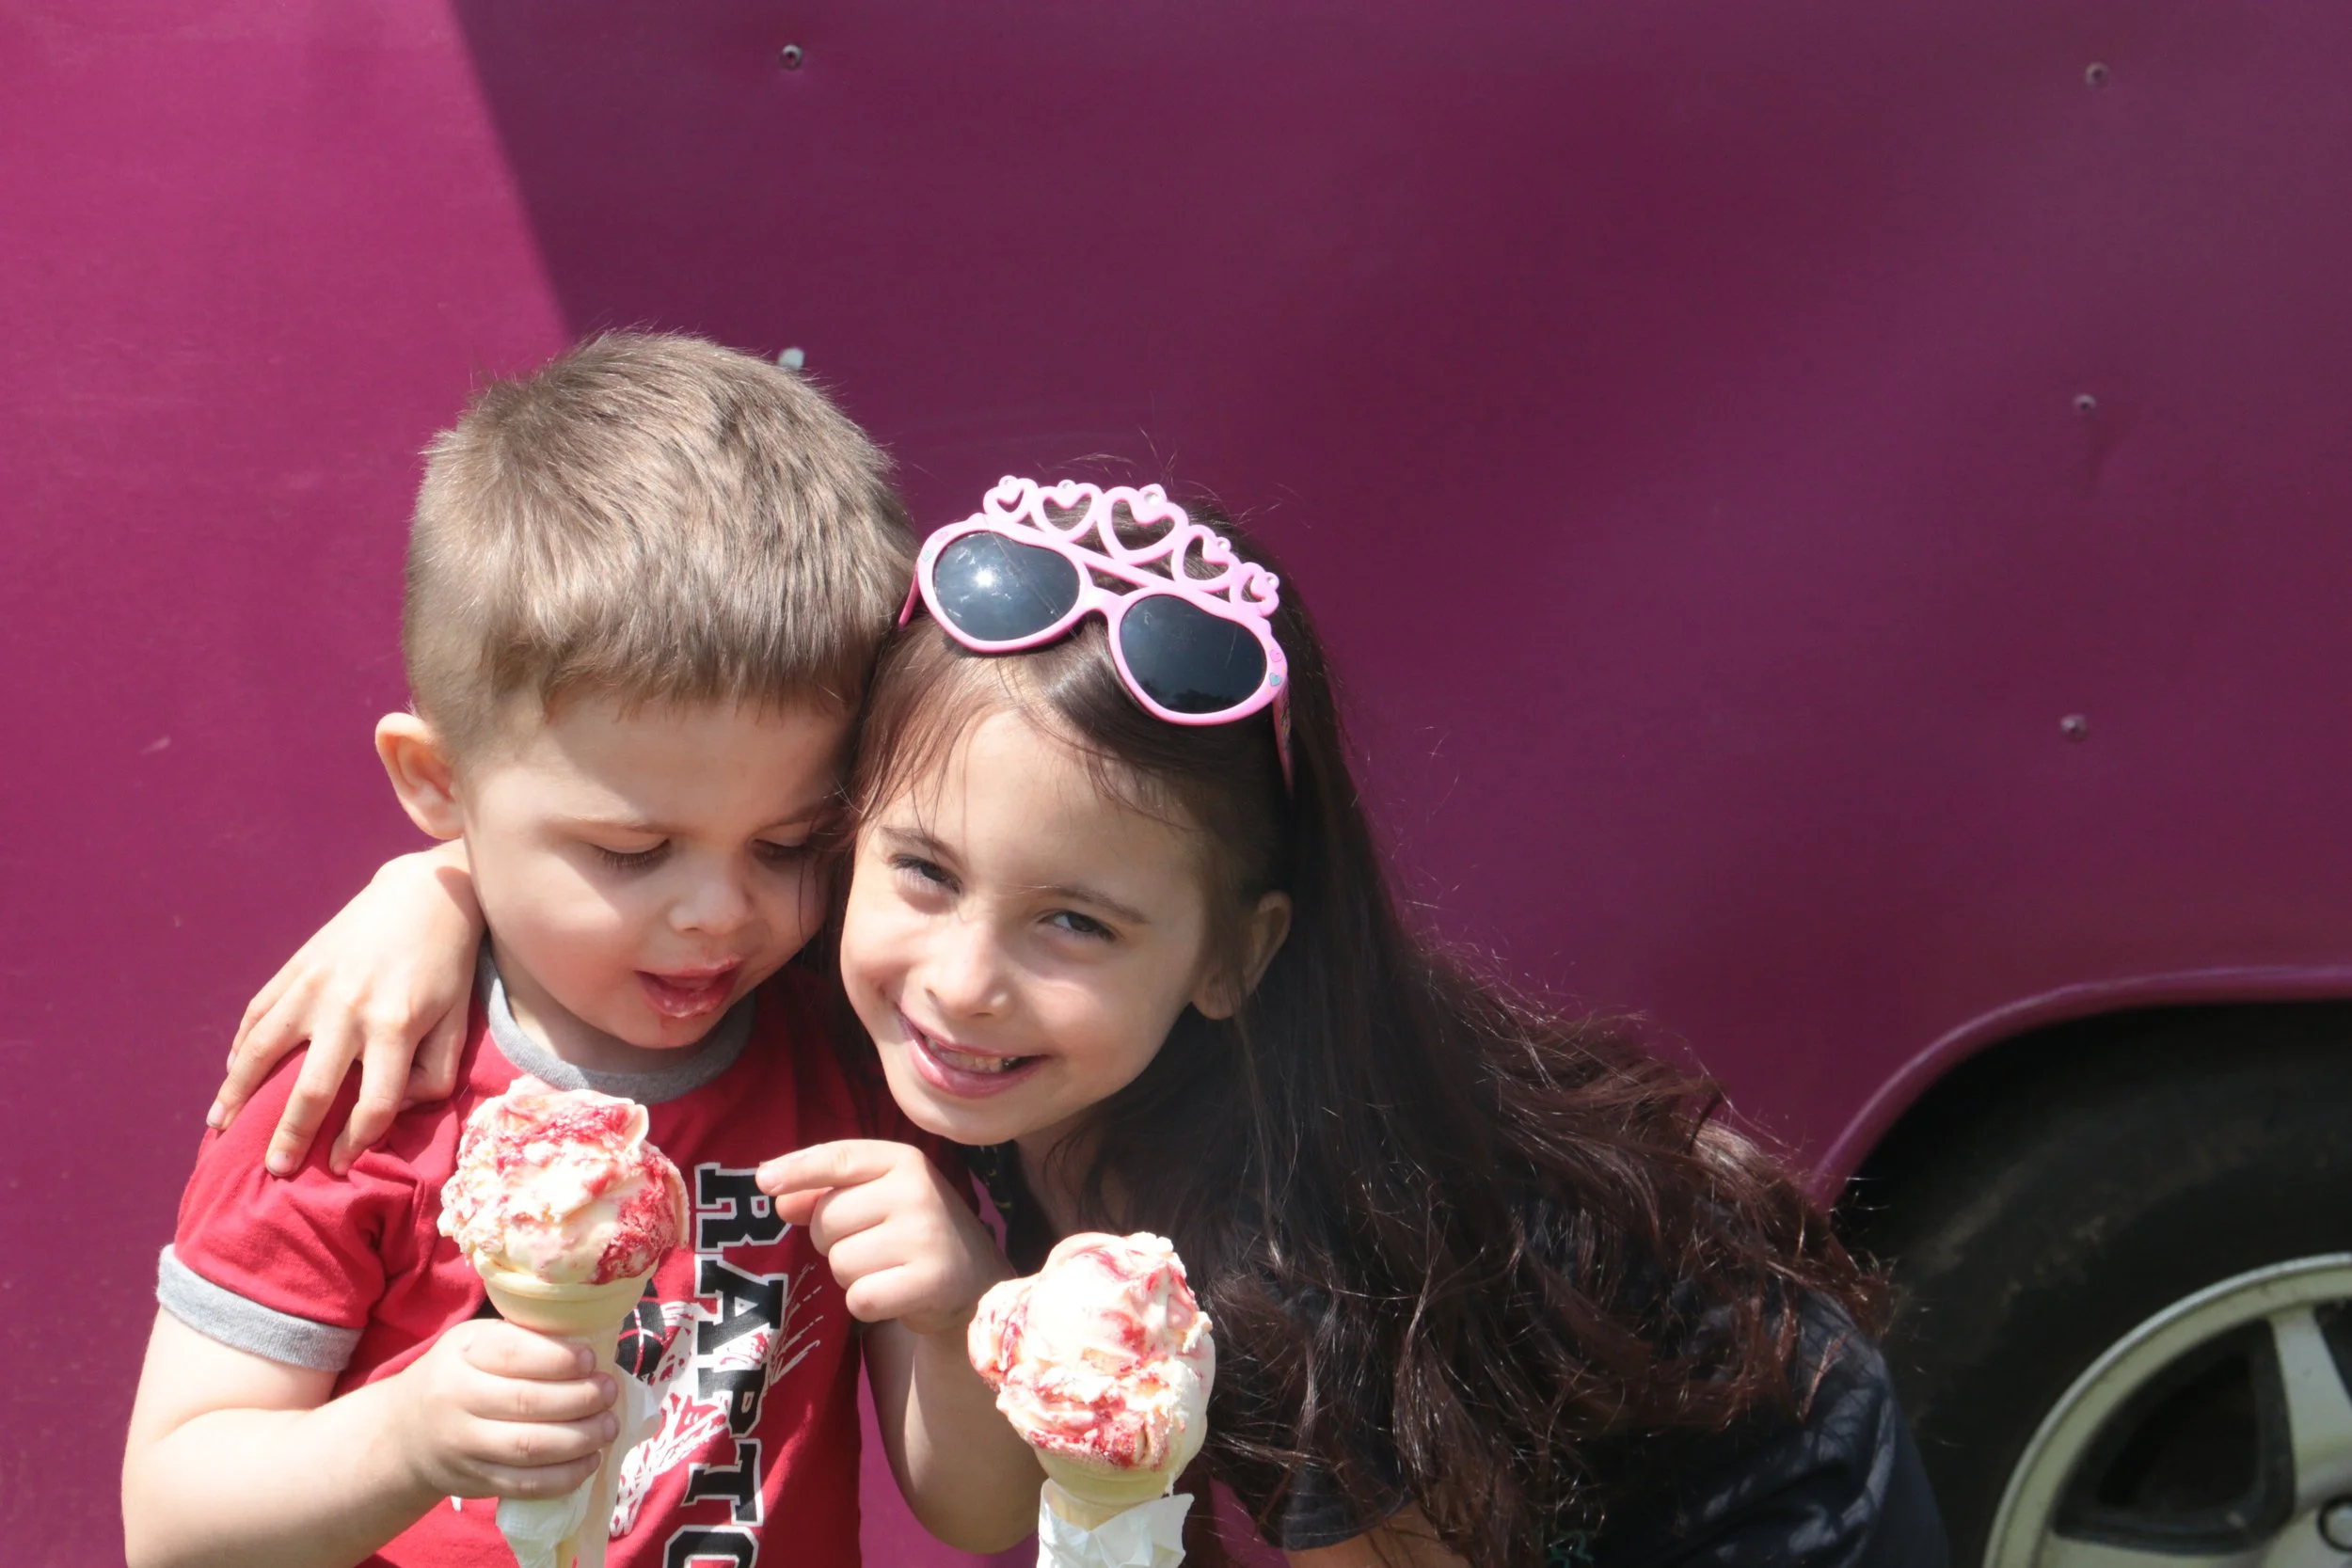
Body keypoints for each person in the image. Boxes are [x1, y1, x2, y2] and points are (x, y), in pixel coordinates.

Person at [213, 476, 1947, 1566]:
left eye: (1074, 921)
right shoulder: (868, 962)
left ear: (1229, 955)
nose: (961, 978)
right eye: (916, 870)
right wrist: (433, 892)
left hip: (1725, 1502)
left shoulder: (1282, 1259)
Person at [123, 337, 1039, 1568]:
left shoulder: (845, 1050)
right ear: (437, 782)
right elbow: (174, 1524)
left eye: (793, 841)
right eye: (630, 849)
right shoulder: (364, 1075)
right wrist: (406, 1435)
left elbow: (978, 1514)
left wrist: (955, 1309)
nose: (721, 911)